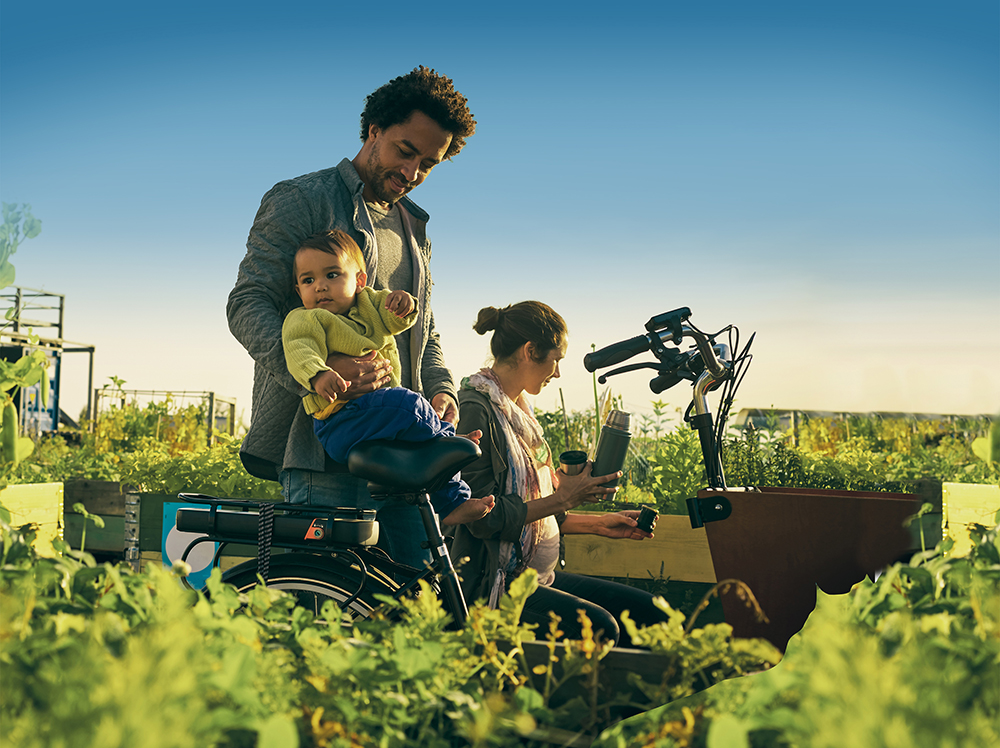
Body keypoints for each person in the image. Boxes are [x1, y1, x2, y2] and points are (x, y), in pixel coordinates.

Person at [227, 67, 476, 567]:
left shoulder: (414, 228)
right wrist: (319, 374)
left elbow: (423, 329)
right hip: (324, 457)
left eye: (428, 163)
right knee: (323, 606)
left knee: (410, 603)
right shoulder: (302, 199)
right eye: (406, 151)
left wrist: (442, 388)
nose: (412, 172)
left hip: (402, 460)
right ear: (374, 131)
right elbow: (247, 302)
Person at [452, 301, 671, 647]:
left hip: (537, 576)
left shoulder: (518, 412)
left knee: (652, 612)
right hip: (497, 584)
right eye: (556, 360)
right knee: (602, 629)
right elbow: (484, 518)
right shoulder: (476, 410)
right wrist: (564, 497)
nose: (556, 373)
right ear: (530, 351)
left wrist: (599, 524)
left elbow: (537, 514)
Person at [282, 229, 494, 526]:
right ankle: (447, 455)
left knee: (413, 423)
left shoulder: (368, 305)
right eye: (308, 280)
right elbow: (299, 349)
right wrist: (318, 374)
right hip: (340, 422)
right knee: (408, 406)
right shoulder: (306, 319)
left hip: (374, 422)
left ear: (359, 280)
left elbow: (398, 319)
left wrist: (403, 304)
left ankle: (447, 463)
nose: (319, 287)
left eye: (331, 275)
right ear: (298, 290)